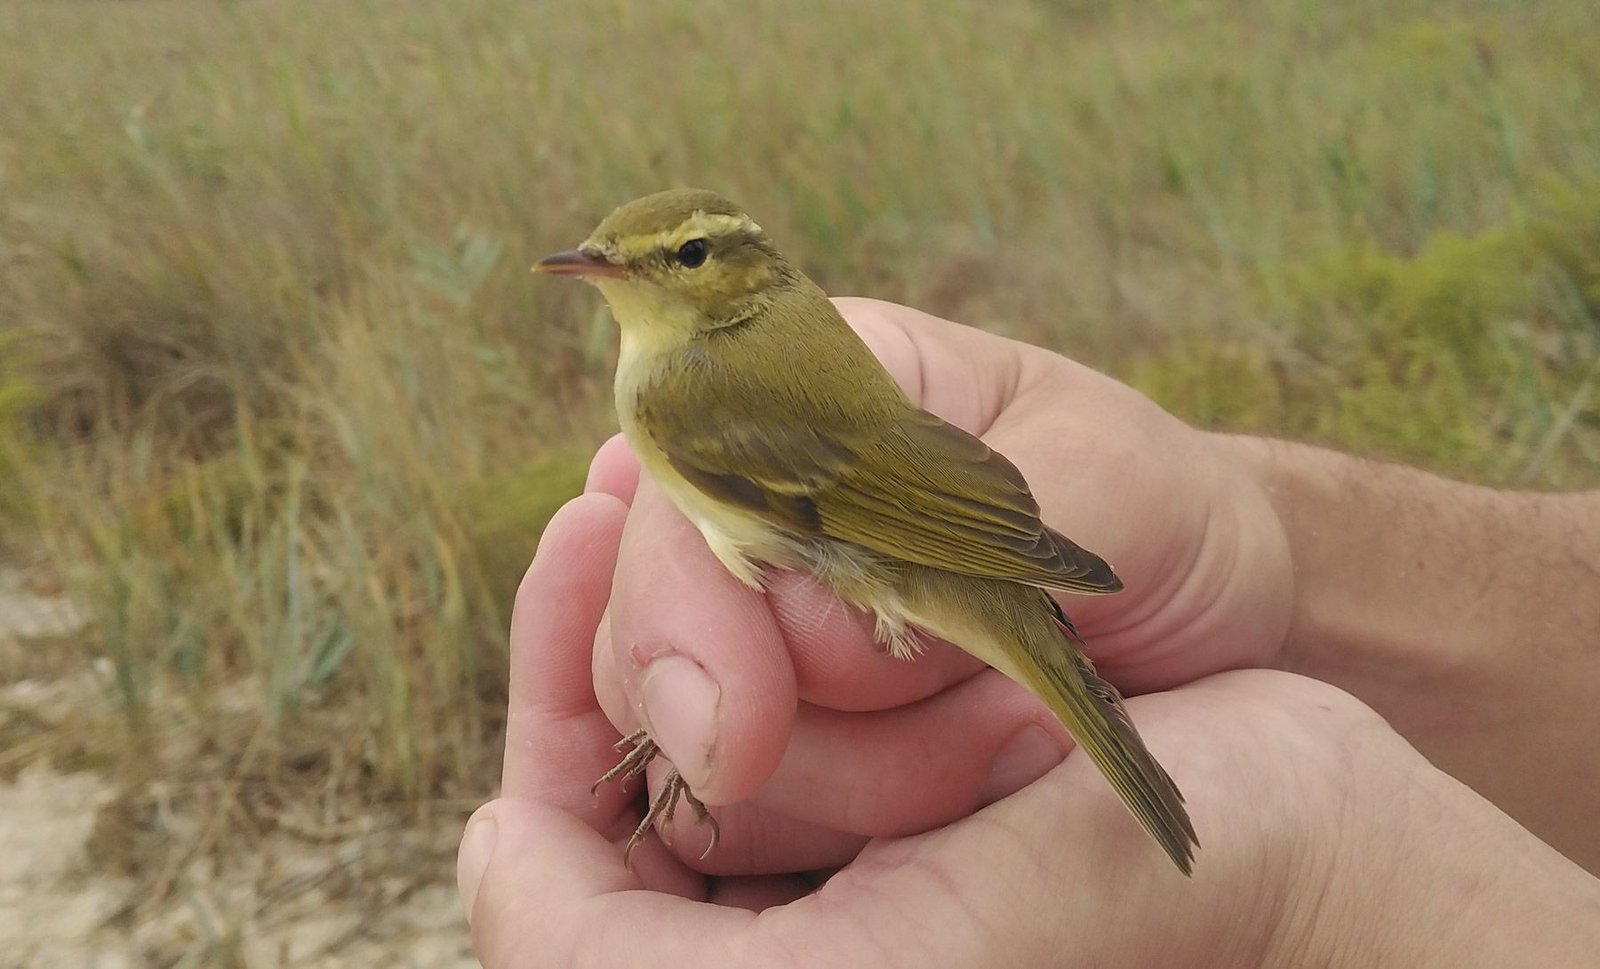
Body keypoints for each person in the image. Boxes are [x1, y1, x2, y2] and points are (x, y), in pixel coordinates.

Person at [457, 299, 1600, 967]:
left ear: (730, 278)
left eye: (679, 255)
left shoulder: (677, 397)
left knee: (787, 671)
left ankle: (694, 763)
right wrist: (1283, 576)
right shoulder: (711, 372)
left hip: (897, 554)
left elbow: (850, 511)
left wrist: (1318, 894)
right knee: (754, 691)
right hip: (927, 539)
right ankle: (692, 763)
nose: (624, 274)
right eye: (612, 256)